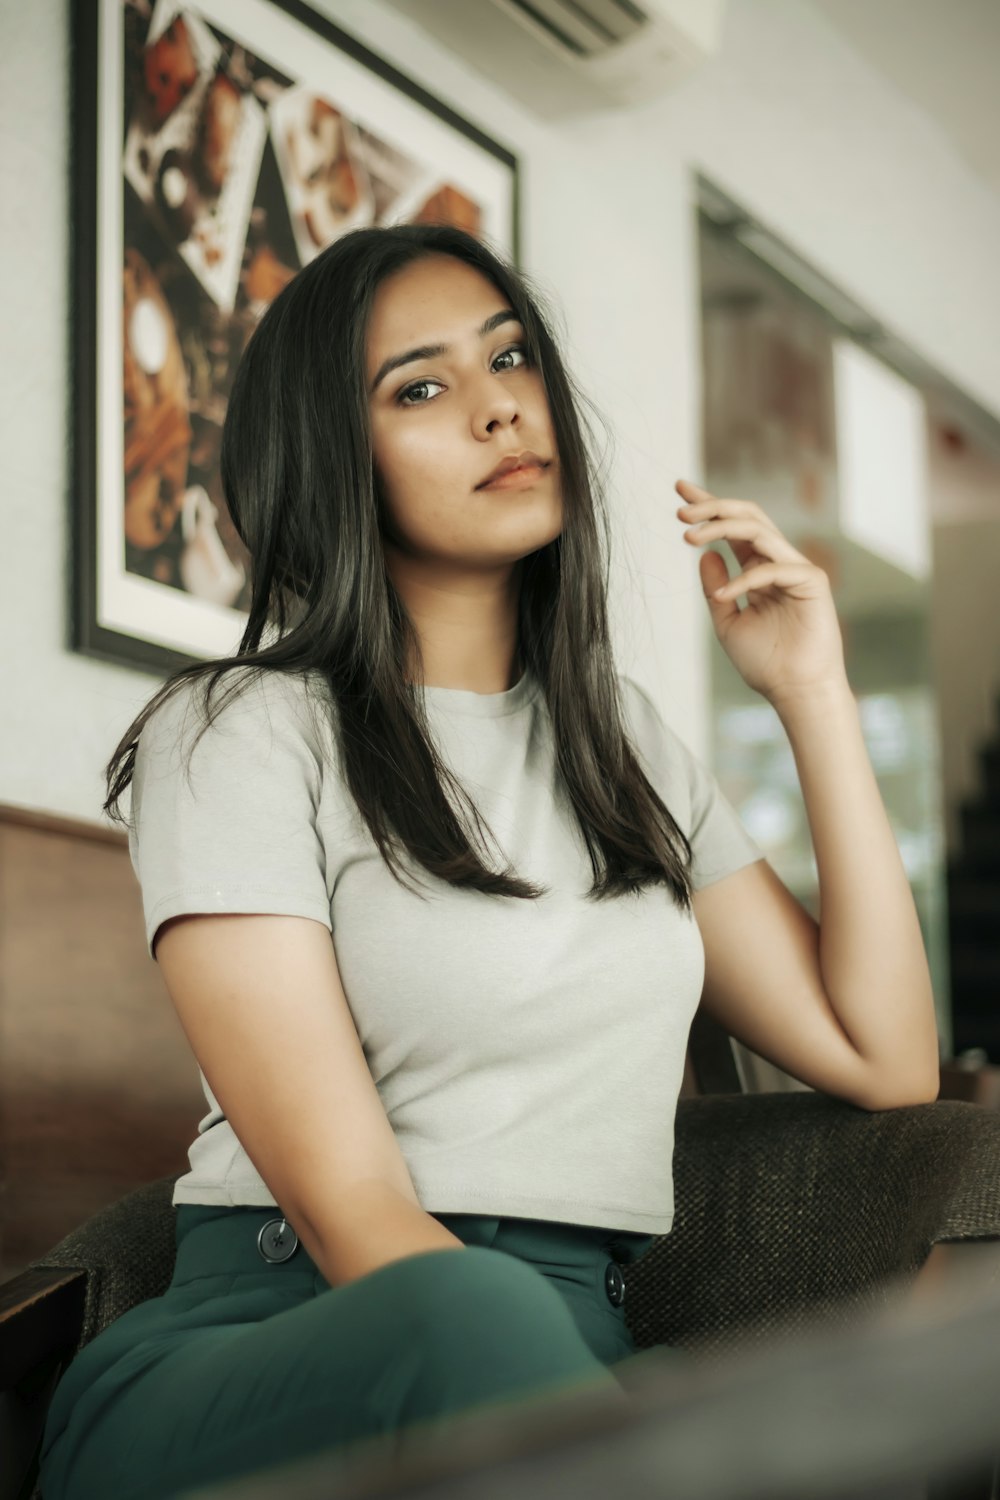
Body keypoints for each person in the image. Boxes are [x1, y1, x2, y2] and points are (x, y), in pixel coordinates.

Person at [39, 223, 940, 1500]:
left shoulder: (624, 740)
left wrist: (816, 694)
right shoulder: (239, 731)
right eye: (420, 386)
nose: (499, 408)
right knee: (496, 1330)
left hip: (566, 1348)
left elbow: (887, 1059)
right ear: (333, 458)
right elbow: (352, 1209)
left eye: (509, 358)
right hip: (287, 1348)